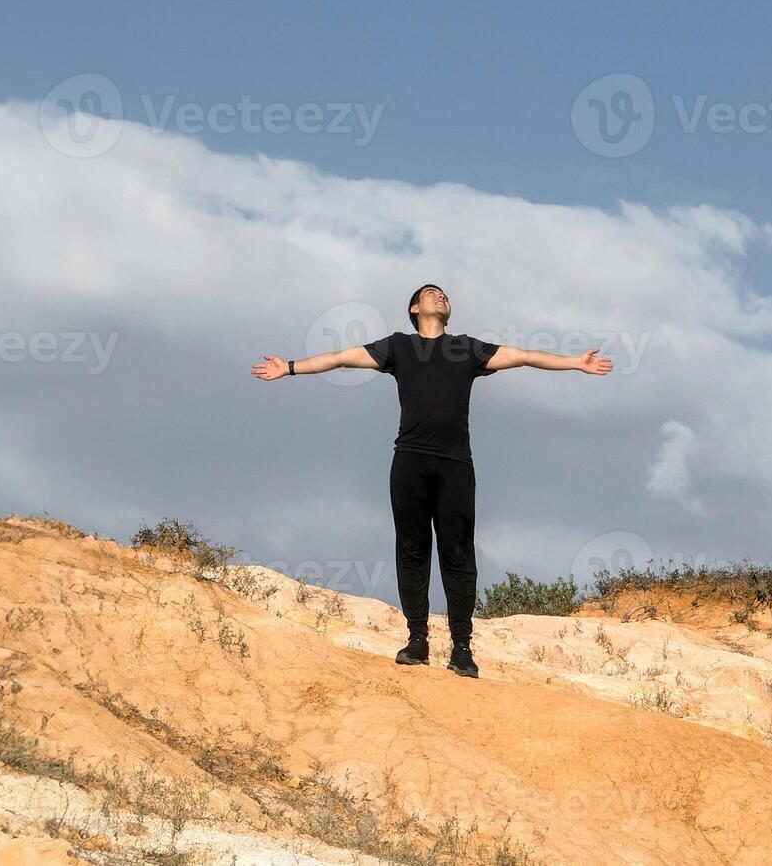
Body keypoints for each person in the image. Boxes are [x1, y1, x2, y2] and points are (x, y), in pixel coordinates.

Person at [251, 284, 613, 677]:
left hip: (456, 464)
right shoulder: (398, 347)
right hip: (409, 461)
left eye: (444, 294)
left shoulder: (466, 348)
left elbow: (523, 356)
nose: (440, 296)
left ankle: (462, 648)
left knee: (458, 554)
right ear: (413, 308)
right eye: (430, 293)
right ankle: (417, 639)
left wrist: (576, 362)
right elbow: (341, 358)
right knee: (412, 549)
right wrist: (288, 367)